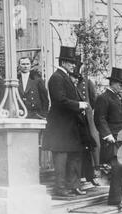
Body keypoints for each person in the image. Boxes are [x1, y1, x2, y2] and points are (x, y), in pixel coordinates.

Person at [42, 46, 90, 197]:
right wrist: (79, 105)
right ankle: (60, 188)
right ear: (62, 62)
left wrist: (78, 107)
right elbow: (59, 101)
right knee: (61, 157)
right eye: (70, 62)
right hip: (61, 126)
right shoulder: (56, 78)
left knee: (74, 155)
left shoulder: (65, 77)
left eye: (73, 62)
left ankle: (73, 185)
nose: (73, 65)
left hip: (69, 125)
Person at [94, 67, 122, 208]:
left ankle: (118, 197)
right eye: (121, 84)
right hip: (113, 140)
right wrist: (107, 135)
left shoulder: (118, 98)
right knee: (118, 167)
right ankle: (115, 199)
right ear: (113, 83)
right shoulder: (104, 98)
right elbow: (99, 118)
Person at [70, 56, 100, 187]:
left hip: (86, 118)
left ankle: (92, 173)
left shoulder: (87, 82)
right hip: (72, 118)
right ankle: (79, 175)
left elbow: (93, 100)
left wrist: (87, 112)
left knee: (92, 144)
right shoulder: (68, 81)